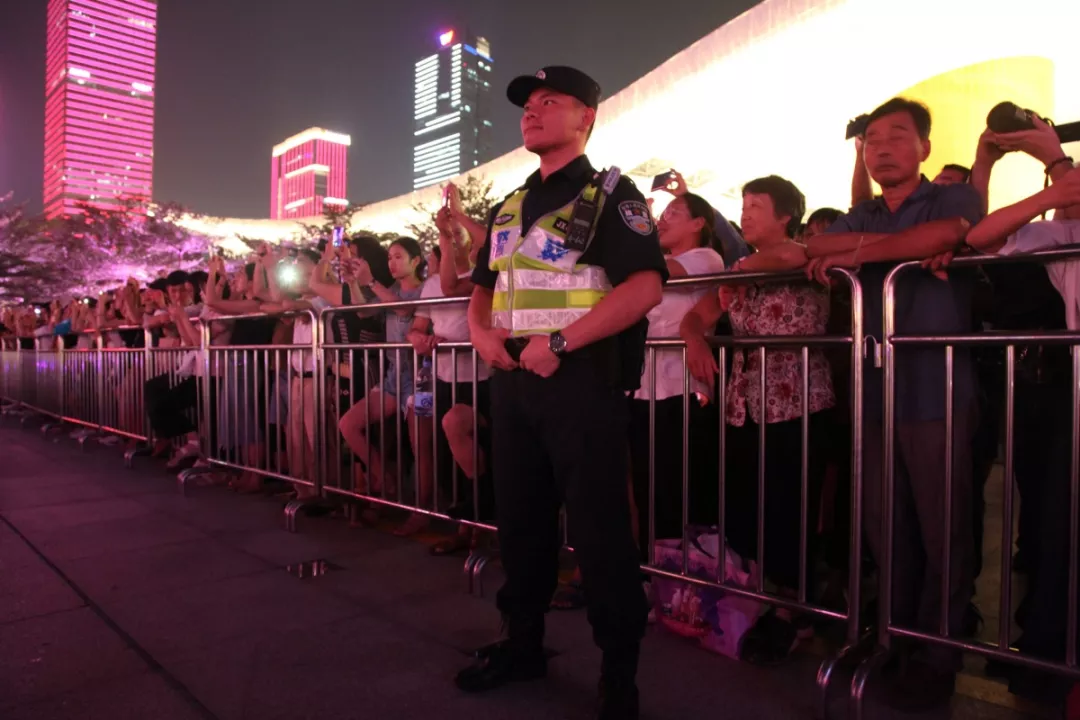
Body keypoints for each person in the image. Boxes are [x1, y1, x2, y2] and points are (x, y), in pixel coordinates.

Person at [455, 66, 667, 720]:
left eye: (551, 101)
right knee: (520, 524)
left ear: (587, 118)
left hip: (581, 384)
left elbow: (645, 287)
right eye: (528, 104)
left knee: (601, 532)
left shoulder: (612, 195)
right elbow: (484, 287)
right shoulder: (510, 203)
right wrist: (480, 334)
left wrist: (562, 342)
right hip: (513, 382)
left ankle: (619, 675)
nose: (532, 111)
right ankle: (522, 644)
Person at [804, 98, 982, 712]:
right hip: (874, 390)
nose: (881, 147)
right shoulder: (863, 212)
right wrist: (889, 246)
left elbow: (946, 234)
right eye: (872, 139)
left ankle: (939, 654)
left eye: (897, 136)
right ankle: (893, 641)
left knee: (943, 529)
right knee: (885, 524)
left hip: (937, 389)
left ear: (925, 148)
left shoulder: (953, 198)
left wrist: (853, 252)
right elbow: (809, 248)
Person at [680, 175, 834, 662]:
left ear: (786, 215)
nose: (745, 214)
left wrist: (740, 271)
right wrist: (694, 339)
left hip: (797, 400)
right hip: (744, 403)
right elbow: (695, 316)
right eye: (744, 206)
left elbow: (788, 257)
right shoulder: (739, 270)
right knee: (750, 502)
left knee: (792, 504)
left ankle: (794, 609)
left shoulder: (803, 254)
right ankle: (759, 595)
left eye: (756, 206)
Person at [338, 237, 425, 496]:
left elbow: (403, 310)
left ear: (416, 261)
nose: (392, 263)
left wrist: (370, 282)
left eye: (398, 257)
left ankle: (424, 507)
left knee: (421, 447)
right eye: (389, 257)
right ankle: (385, 480)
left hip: (421, 380)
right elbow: (363, 312)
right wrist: (353, 282)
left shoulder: (425, 289)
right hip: (392, 378)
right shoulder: (390, 289)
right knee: (348, 424)